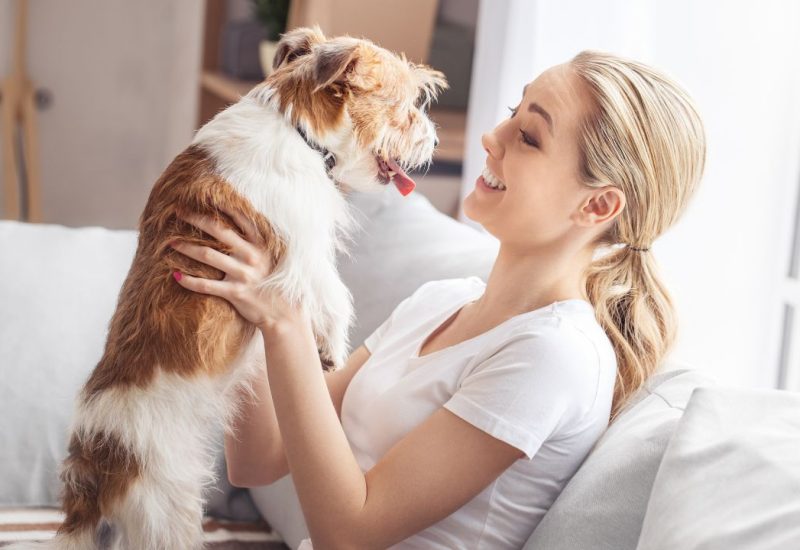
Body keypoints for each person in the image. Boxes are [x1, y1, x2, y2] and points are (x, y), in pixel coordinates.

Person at [169, 49, 706, 549]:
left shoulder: (555, 355)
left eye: (530, 137)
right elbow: (257, 460)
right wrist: (257, 285)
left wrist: (286, 317)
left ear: (597, 206)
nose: (492, 138)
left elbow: (347, 534)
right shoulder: (441, 303)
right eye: (512, 113)